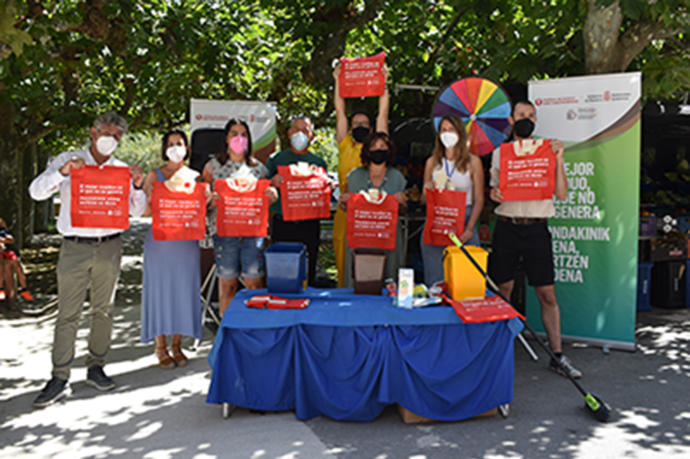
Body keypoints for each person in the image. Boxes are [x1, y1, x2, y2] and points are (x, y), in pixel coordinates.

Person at [28, 111, 146, 407]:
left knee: (103, 311)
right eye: (107, 132)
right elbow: (36, 192)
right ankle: (59, 376)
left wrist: (139, 185)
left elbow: (137, 211)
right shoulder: (69, 160)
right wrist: (63, 173)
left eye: (117, 136)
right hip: (75, 247)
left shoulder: (121, 170)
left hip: (109, 246)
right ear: (93, 132)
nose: (112, 139)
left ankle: (97, 366)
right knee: (68, 313)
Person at [488, 100, 582, 379]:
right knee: (502, 288)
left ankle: (557, 355)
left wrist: (561, 158)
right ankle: (497, 350)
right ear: (511, 119)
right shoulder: (499, 154)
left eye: (530, 115)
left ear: (536, 120)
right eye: (521, 115)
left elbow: (562, 194)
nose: (525, 119)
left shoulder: (548, 151)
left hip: (537, 228)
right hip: (507, 226)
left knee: (546, 293)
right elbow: (494, 190)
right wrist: (494, 194)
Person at [140, 129, 204, 369]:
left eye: (180, 143)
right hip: (160, 244)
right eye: (171, 143)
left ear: (187, 148)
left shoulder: (195, 177)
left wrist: (207, 198)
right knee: (160, 293)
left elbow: (200, 211)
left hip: (186, 244)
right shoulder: (154, 175)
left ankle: (177, 345)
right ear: (164, 148)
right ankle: (160, 347)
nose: (176, 147)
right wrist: (147, 197)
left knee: (183, 293)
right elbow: (145, 212)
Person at [201, 119, 277, 316]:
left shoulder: (259, 169)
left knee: (254, 283)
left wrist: (272, 196)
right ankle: (227, 333)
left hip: (253, 235)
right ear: (226, 138)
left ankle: (253, 329)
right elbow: (201, 200)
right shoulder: (212, 167)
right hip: (225, 234)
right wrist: (210, 200)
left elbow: (267, 198)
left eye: (243, 134)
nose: (239, 138)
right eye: (234, 133)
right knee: (227, 286)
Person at [332, 62, 390, 287]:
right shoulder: (345, 144)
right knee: (342, 256)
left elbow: (383, 112)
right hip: (345, 211)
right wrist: (337, 80)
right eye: (355, 123)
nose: (359, 126)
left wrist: (383, 82)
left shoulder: (377, 145)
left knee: (370, 257)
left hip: (371, 212)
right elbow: (340, 110)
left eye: (364, 124)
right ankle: (342, 294)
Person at [266, 116, 332, 286]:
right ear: (289, 133)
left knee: (308, 271)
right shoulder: (276, 160)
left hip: (309, 224)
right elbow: (263, 188)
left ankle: (307, 303)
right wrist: (271, 182)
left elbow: (324, 191)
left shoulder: (318, 163)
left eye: (305, 130)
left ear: (312, 136)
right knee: (282, 270)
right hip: (283, 223)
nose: (300, 134)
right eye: (296, 129)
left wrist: (329, 187)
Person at [420, 114, 484, 286]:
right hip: (437, 222)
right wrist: (428, 190)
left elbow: (479, 199)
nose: (447, 133)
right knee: (436, 282)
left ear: (460, 133)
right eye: (443, 130)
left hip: (464, 222)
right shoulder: (432, 162)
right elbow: (423, 200)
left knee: (467, 281)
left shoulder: (473, 162)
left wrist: (470, 228)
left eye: (451, 129)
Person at [339, 132, 407, 286]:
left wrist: (402, 203)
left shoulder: (398, 177)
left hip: (388, 239)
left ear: (389, 151)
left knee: (389, 281)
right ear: (367, 151)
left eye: (383, 146)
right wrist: (344, 203)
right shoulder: (354, 177)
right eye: (374, 146)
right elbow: (349, 209)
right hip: (361, 240)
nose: (378, 150)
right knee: (359, 282)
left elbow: (402, 211)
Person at [0, 218, 34, 302]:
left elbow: (11, 240)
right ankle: (1, 289)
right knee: (3, 269)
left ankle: (24, 289)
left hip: (8, 253)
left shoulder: (3, 231)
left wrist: (2, 240)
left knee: (18, 268)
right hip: (2, 255)